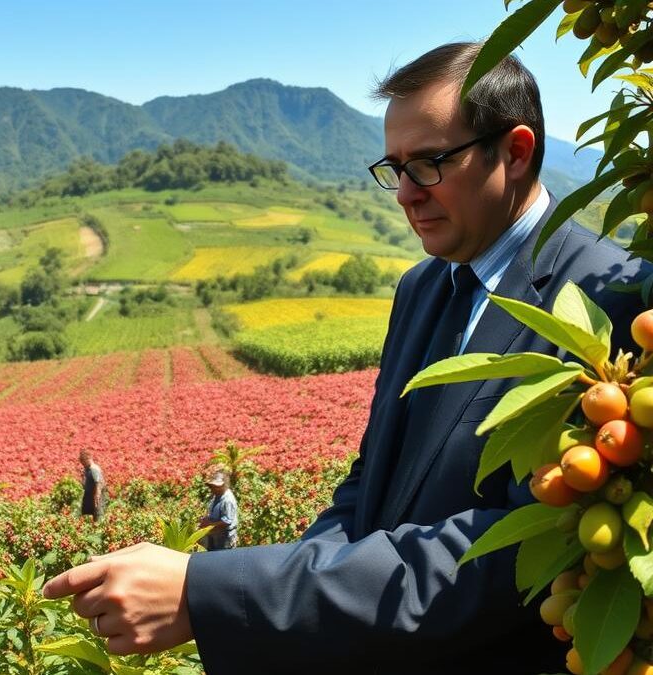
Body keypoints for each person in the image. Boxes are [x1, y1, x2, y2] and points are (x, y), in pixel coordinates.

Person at [43, 42, 650, 674]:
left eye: (429, 164)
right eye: (394, 169)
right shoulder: (422, 288)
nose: (405, 195)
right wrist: (293, 606)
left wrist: (213, 592)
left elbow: (517, 553)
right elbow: (370, 484)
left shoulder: (615, 303)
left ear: (516, 152)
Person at [198, 469, 238, 550]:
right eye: (212, 486)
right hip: (215, 536)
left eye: (216, 486)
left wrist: (209, 525)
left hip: (225, 539)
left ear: (223, 486)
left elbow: (226, 521)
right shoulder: (216, 496)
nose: (213, 489)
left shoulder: (227, 500)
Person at [79, 449, 105, 520]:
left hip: (95, 495)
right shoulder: (87, 469)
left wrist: (97, 496)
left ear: (88, 459)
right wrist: (82, 476)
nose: (82, 464)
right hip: (89, 495)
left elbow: (99, 483)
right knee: (88, 515)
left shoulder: (94, 469)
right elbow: (84, 486)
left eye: (83, 462)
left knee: (97, 514)